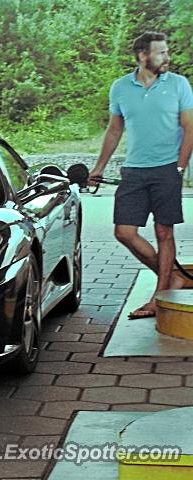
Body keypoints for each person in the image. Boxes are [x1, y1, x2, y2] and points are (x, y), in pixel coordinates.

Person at [89, 31, 193, 319]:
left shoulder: (178, 85)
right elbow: (114, 130)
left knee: (164, 232)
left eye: (166, 51)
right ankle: (171, 278)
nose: (167, 57)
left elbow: (190, 127)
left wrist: (180, 167)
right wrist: (98, 168)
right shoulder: (121, 87)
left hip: (167, 168)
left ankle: (159, 297)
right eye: (160, 52)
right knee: (124, 232)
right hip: (133, 170)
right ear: (142, 55)